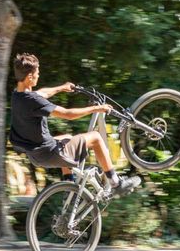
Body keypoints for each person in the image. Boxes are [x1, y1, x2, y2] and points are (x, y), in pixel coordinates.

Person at [9, 53, 140, 197]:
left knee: (66, 137)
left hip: (36, 154)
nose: (38, 76)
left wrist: (62, 87)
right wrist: (97, 108)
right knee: (95, 137)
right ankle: (116, 183)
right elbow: (68, 114)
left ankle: (69, 187)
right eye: (37, 73)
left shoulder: (17, 95)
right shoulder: (33, 100)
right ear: (30, 77)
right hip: (48, 153)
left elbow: (41, 93)